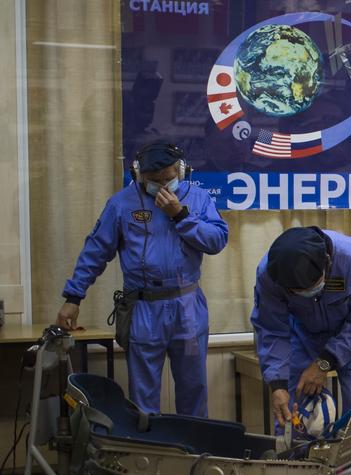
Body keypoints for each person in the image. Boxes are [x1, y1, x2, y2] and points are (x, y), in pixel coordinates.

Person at [57, 141, 228, 416]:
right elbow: (95, 252)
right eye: (153, 181)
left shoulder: (197, 198)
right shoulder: (122, 204)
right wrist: (73, 297)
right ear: (138, 174)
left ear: (181, 171)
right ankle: (150, 456)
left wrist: (181, 215)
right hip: (143, 307)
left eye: (168, 179)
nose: (162, 187)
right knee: (143, 396)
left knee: (193, 389)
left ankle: (194, 455)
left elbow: (217, 240)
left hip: (187, 305)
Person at [251, 227, 351, 468]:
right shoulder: (269, 273)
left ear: (327, 264)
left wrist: (324, 363)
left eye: (309, 287)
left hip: (350, 335)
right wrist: (276, 384)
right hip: (302, 333)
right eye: (296, 292)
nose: (305, 295)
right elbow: (271, 329)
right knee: (291, 409)